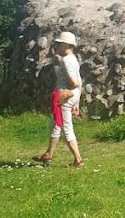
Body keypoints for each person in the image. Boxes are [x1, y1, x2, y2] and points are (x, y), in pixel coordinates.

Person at [32, 31, 85, 168]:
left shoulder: (67, 61)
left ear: (66, 45)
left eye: (60, 44)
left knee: (66, 128)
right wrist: (77, 101)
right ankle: (48, 154)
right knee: (56, 125)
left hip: (64, 96)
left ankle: (78, 159)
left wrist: (73, 87)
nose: (58, 46)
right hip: (72, 96)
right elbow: (79, 80)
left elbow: (74, 82)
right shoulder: (73, 59)